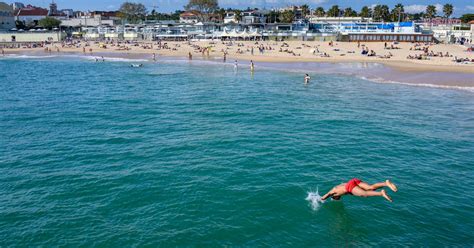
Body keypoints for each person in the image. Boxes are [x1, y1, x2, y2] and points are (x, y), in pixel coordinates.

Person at [321, 178, 398, 202]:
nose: (339, 198)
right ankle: (386, 183)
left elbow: (327, 194)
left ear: (335, 197)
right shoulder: (337, 187)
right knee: (370, 187)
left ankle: (381, 193)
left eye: (337, 198)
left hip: (349, 186)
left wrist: (321, 199)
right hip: (353, 181)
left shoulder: (333, 192)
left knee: (365, 194)